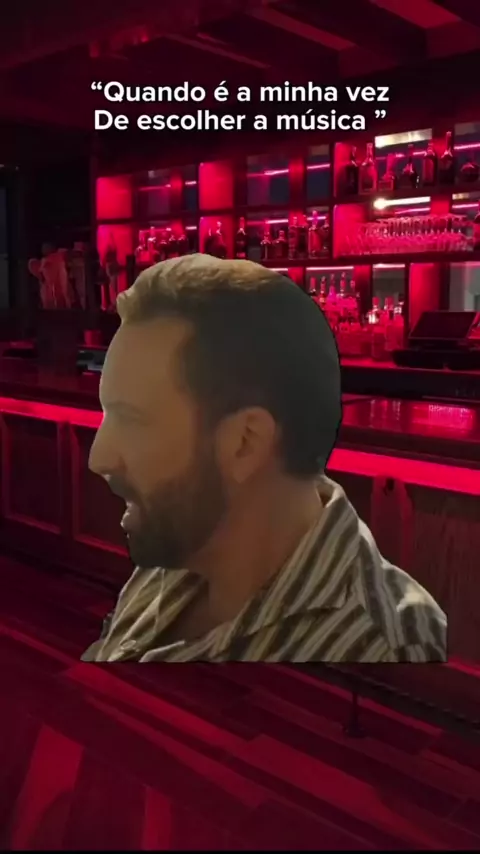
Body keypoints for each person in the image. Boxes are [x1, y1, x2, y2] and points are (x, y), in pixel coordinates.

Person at [83, 254, 447, 663]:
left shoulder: (386, 649)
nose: (98, 458)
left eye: (132, 420)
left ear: (246, 442)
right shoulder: (184, 541)